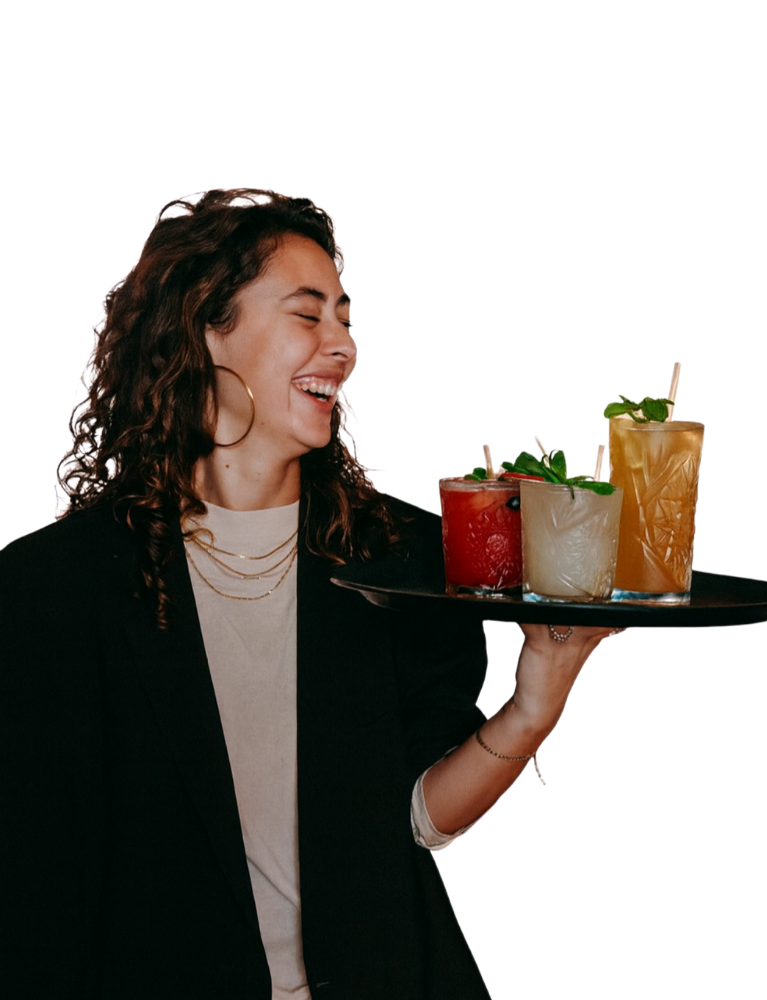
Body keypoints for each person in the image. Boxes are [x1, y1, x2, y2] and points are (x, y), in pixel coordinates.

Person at [0, 188, 622, 1000]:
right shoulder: (55, 586)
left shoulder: (402, 556)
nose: (344, 346)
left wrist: (536, 704)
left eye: (346, 317)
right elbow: (38, 889)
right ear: (204, 330)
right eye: (308, 314)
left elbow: (419, 819)